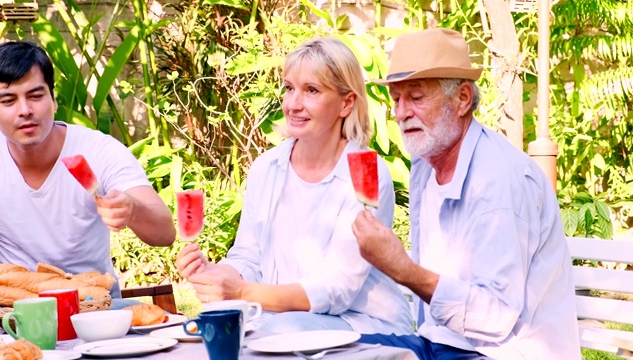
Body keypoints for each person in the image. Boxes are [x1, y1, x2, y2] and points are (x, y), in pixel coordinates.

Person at [352, 28, 581, 359]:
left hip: (502, 352)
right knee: (331, 351)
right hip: (439, 343)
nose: (401, 113)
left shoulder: (500, 180)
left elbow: (497, 317)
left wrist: (403, 270)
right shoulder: (424, 165)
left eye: (416, 98)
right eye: (396, 99)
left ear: (461, 99)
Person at [176, 37, 413, 335]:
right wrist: (214, 274)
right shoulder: (267, 167)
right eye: (289, 88)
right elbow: (248, 257)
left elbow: (338, 289)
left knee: (274, 330)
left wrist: (240, 292)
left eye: (311, 90)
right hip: (283, 320)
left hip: (364, 325)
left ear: (346, 103)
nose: (293, 104)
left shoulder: (367, 173)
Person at [0, 40, 176, 299]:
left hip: (94, 308)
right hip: (9, 312)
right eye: (8, 100)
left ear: (53, 99)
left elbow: (165, 232)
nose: (25, 111)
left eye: (36, 96)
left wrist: (132, 209)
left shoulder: (99, 150)